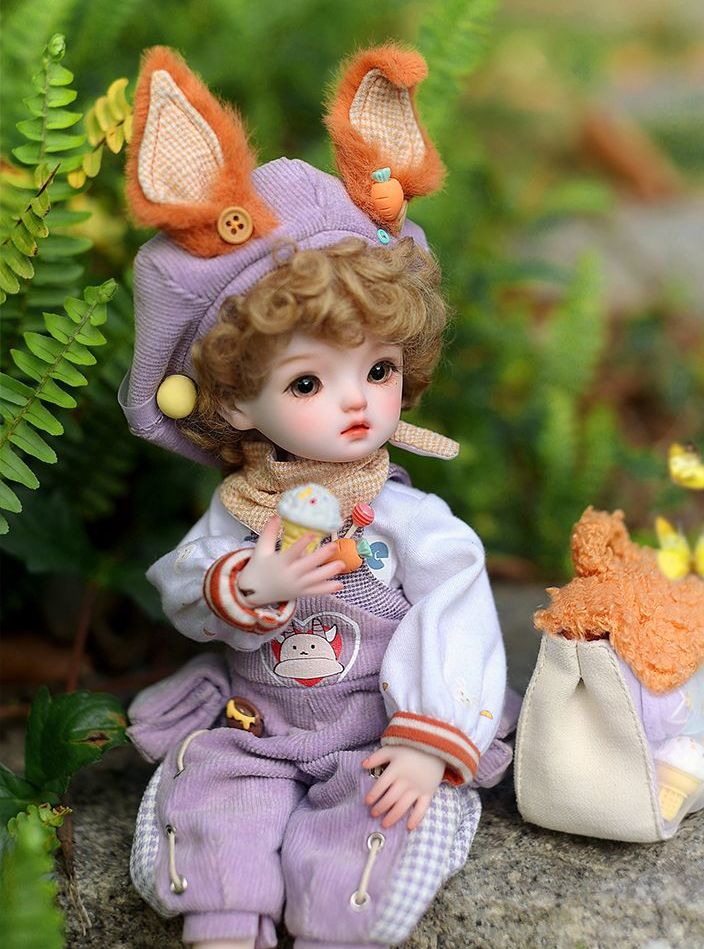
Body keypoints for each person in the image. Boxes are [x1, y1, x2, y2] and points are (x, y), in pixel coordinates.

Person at [122, 44, 516, 949]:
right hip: (255, 718)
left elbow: (456, 611)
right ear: (231, 400)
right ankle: (225, 920)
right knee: (217, 800)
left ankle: (339, 922)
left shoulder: (409, 519)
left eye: (378, 369)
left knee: (370, 825)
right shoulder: (243, 509)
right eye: (307, 382)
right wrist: (242, 586)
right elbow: (184, 581)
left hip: (376, 725)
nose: (356, 402)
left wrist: (426, 738)